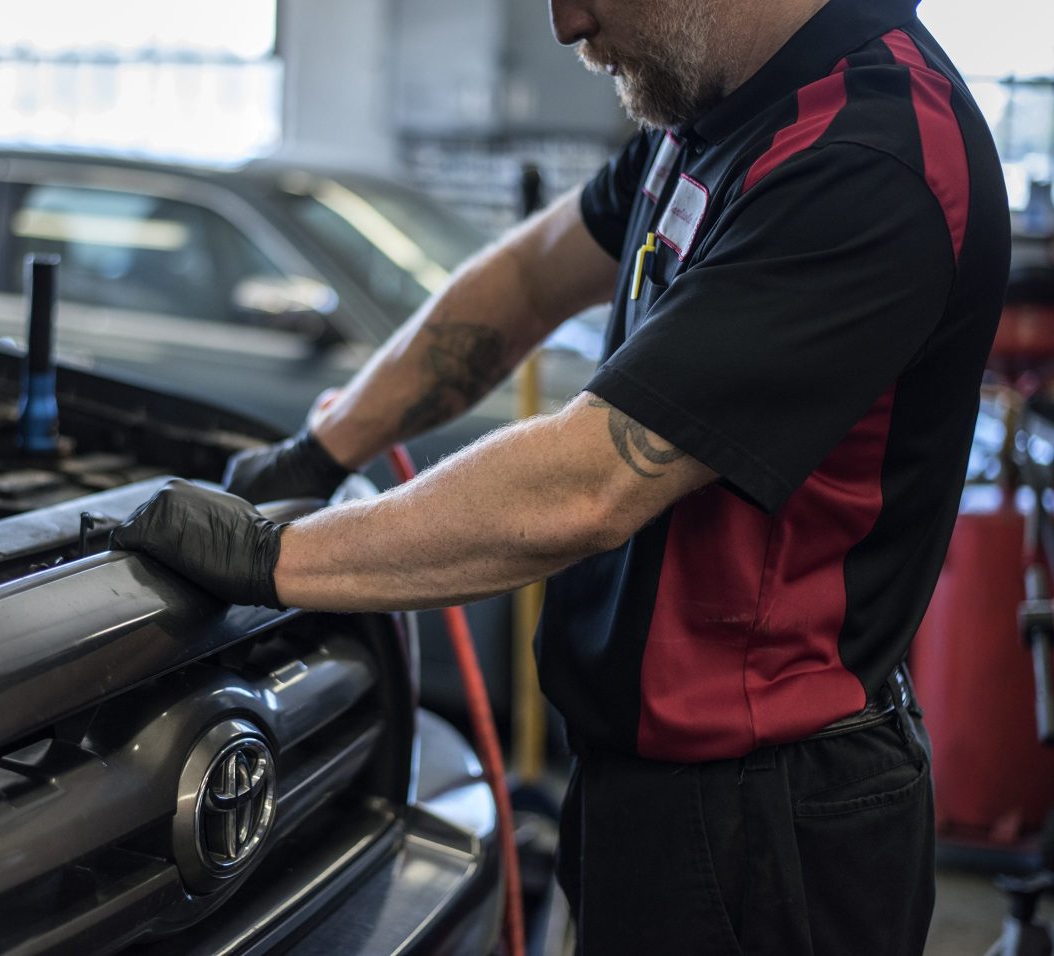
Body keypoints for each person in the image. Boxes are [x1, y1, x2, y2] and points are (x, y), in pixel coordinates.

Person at [112, 0, 1011, 951]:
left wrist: (271, 558)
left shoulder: (872, 153)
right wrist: (327, 447)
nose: (565, 23)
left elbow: (591, 483)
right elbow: (533, 276)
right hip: (654, 784)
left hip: (773, 823)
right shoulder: (720, 111)